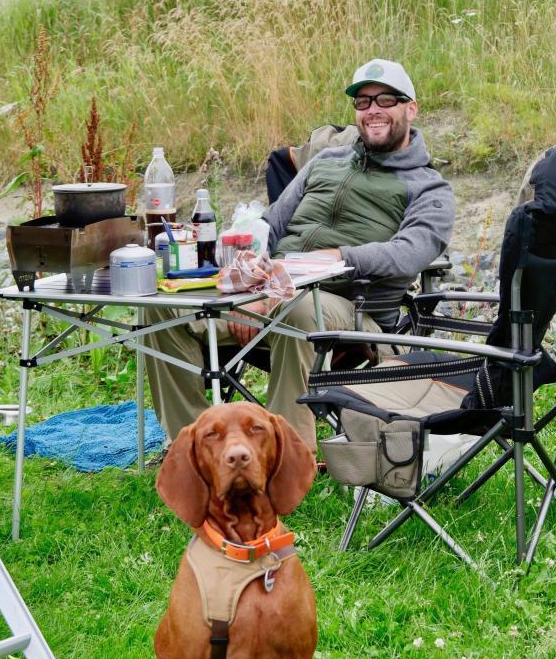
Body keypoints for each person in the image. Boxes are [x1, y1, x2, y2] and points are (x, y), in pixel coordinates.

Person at [144, 58, 455, 451]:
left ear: (410, 109)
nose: (373, 110)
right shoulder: (326, 162)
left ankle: (285, 458)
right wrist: (250, 281)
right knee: (161, 308)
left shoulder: (430, 187)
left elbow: (409, 254)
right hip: (270, 290)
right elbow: (271, 225)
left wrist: (337, 257)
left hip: (353, 309)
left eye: (386, 100)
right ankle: (193, 448)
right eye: (362, 102)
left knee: (300, 311)